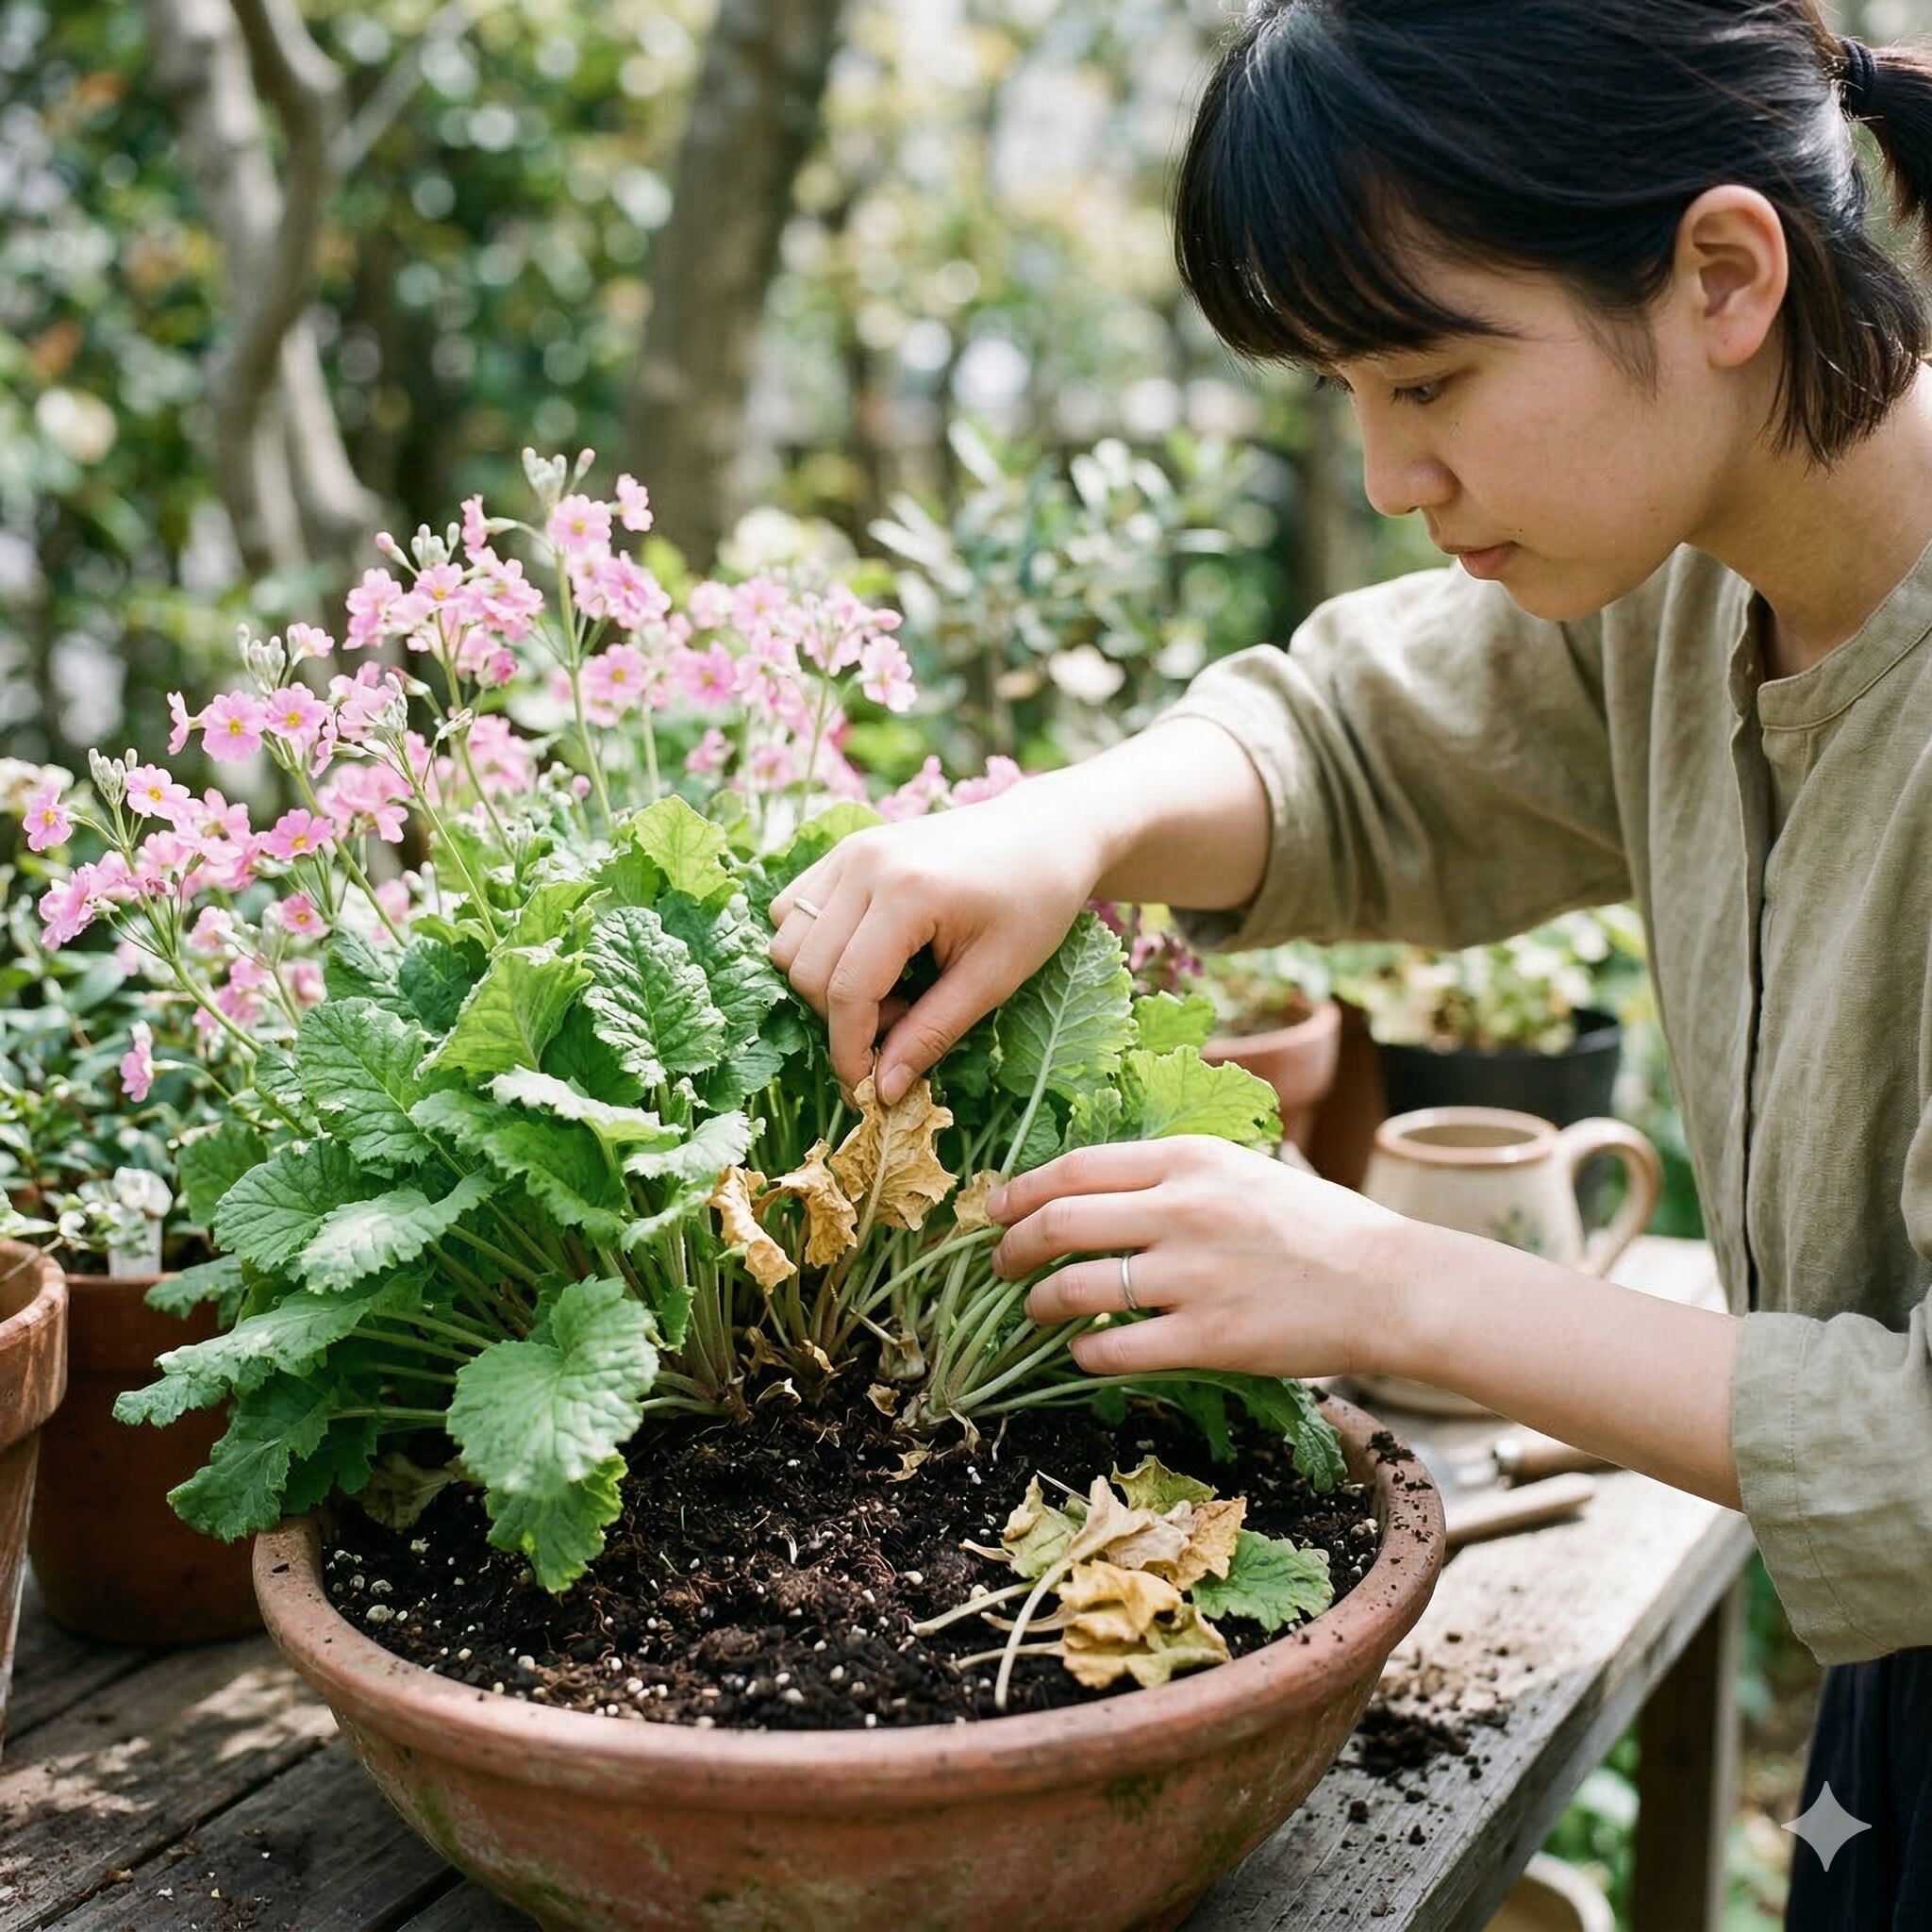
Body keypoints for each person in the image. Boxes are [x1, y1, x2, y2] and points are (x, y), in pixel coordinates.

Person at [764, 8, 1932, 1924]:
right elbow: (1362, 747)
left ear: (1723, 272)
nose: (1393, 474)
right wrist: (1064, 826)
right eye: (1347, 395)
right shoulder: (1700, 567)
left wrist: (1377, 1279)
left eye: (1431, 378)